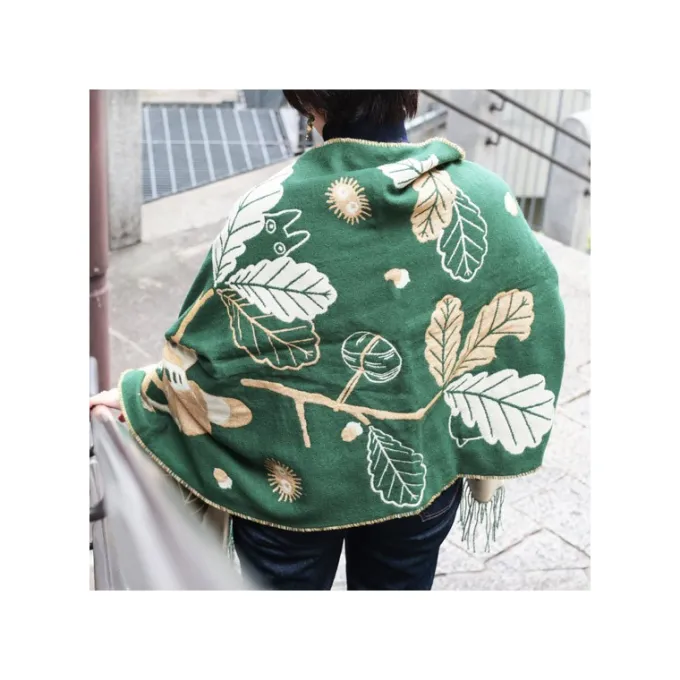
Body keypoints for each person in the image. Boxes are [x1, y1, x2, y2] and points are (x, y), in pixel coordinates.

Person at [90, 90, 565, 590]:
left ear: (310, 101)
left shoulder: (270, 207)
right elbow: (537, 301)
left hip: (287, 484)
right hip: (420, 471)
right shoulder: (485, 197)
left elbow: (214, 356)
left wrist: (141, 397)